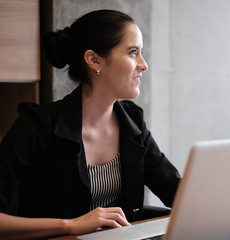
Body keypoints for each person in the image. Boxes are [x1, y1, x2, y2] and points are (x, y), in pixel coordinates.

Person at [0, 9, 181, 239]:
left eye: (141, 52)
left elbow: (177, 192)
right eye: (133, 52)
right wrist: (70, 225)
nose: (143, 64)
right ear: (94, 60)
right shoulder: (37, 125)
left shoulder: (132, 123)